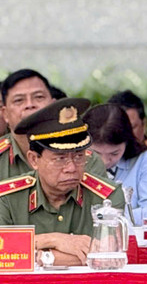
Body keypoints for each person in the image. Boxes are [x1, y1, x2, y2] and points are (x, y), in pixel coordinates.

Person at [0, 98, 125, 265]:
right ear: (34, 160)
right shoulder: (7, 197)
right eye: (60, 158)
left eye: (79, 157)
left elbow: (107, 255)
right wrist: (56, 240)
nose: (72, 168)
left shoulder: (107, 196)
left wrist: (42, 256)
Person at [0, 69, 111, 182]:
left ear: (53, 104)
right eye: (19, 100)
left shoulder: (88, 160)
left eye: (39, 97)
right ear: (5, 113)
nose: (30, 105)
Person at [85, 102, 147, 216]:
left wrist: (106, 217)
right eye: (96, 153)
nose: (105, 161)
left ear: (127, 142)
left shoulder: (145, 159)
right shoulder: (74, 162)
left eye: (114, 153)